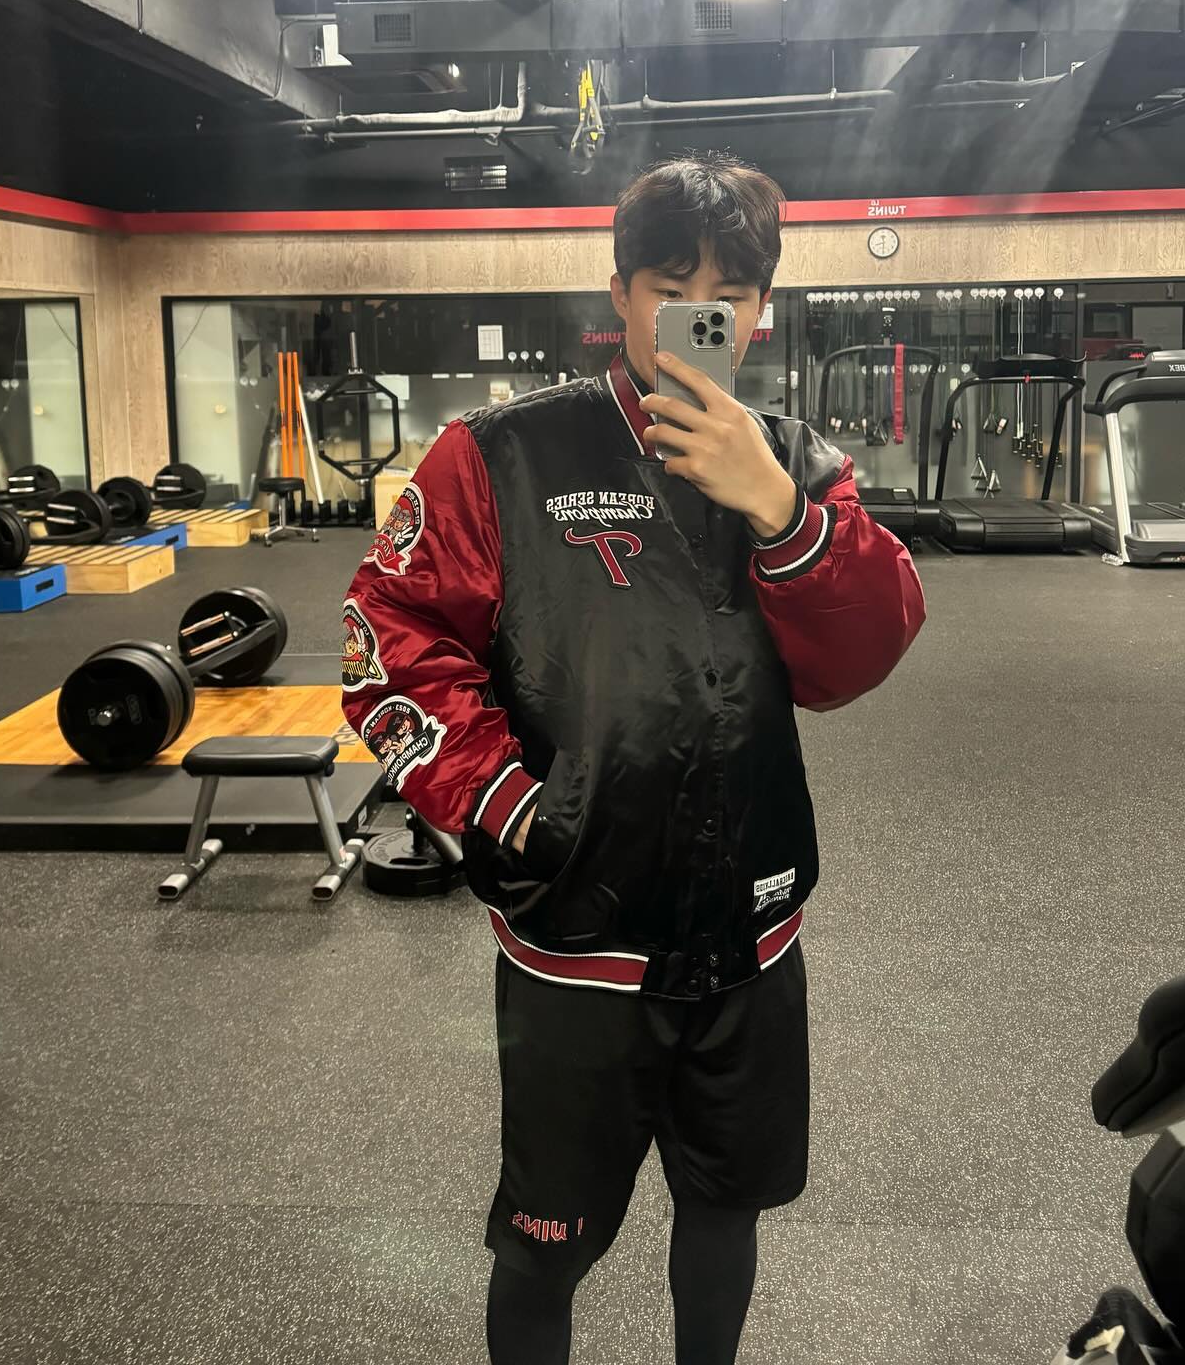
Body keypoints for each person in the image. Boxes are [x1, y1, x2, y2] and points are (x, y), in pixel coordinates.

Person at [341, 157, 926, 1365]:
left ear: (762, 311)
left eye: (730, 294)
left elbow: (858, 658)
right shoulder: (502, 453)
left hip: (751, 930)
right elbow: (387, 636)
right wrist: (513, 803)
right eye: (670, 287)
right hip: (578, 937)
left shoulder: (798, 463)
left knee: (725, 1208)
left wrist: (782, 512)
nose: (699, 315)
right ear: (620, 294)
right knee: (545, 1245)